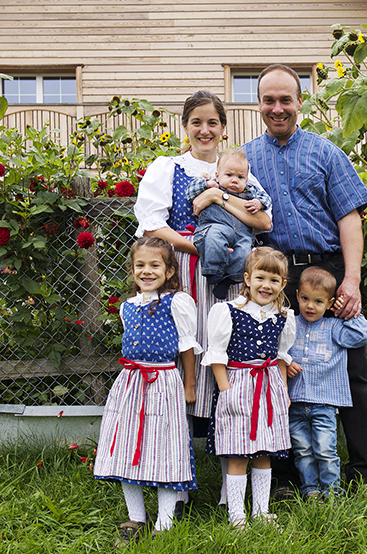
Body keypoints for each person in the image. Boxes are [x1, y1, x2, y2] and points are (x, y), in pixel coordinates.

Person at [242, 64, 367, 490]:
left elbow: (350, 218)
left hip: (328, 272)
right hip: (275, 276)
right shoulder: (245, 159)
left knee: (351, 370)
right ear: (259, 104)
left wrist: (351, 280)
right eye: (270, 100)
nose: (278, 108)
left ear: (301, 102)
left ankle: (365, 471)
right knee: (275, 370)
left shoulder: (325, 152)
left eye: (286, 99)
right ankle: (282, 476)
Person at [134, 90, 272, 512]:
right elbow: (153, 225)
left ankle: (231, 482)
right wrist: (199, 246)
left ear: (223, 127)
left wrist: (217, 198)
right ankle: (173, 485)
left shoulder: (237, 168)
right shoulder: (168, 167)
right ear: (185, 126)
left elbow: (264, 220)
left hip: (230, 284)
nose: (205, 130)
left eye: (212, 122)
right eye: (197, 122)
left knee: (227, 366)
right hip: (185, 279)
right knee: (181, 367)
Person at [93, 237, 202, 546]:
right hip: (131, 382)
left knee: (164, 446)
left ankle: (166, 520)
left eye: (155, 265)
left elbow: (186, 348)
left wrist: (189, 384)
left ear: (169, 271)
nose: (146, 271)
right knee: (127, 446)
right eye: (140, 265)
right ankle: (136, 517)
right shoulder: (128, 307)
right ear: (132, 269)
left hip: (164, 381)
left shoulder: (177, 302)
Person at [203, 247, 295, 528]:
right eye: (261, 277)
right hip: (239, 385)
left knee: (265, 453)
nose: (266, 285)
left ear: (283, 284)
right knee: (238, 453)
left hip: (269, 388)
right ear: (247, 278)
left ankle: (261, 511)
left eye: (274, 280)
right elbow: (216, 355)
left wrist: (284, 393)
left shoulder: (283, 317)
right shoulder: (229, 311)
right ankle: (236, 515)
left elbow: (280, 357)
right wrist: (226, 391)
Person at [286, 267, 367, 498]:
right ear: (297, 296)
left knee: (325, 449)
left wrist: (345, 311)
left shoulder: (335, 328)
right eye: (305, 299)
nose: (310, 306)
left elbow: (364, 336)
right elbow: (276, 350)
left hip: (324, 404)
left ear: (329, 303)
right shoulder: (290, 325)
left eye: (318, 301)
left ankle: (332, 491)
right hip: (295, 402)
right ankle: (310, 489)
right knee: (303, 450)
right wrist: (285, 363)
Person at [184, 149, 272, 300]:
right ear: (217, 176)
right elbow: (189, 192)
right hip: (216, 226)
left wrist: (260, 203)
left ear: (246, 179)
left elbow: (266, 198)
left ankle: (229, 280)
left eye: (240, 177)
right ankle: (214, 271)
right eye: (229, 175)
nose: (234, 180)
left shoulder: (250, 191)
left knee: (245, 252)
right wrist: (206, 184)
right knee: (213, 238)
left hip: (242, 235)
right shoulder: (212, 186)